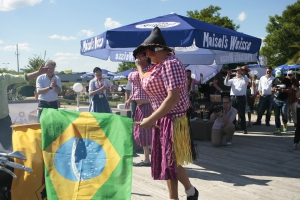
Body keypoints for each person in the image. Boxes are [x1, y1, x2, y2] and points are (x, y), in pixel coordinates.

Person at [134, 27, 198, 200]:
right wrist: (140, 68)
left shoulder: (171, 64)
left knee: (169, 162)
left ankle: (174, 198)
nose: (145, 55)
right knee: (169, 161)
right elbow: (145, 81)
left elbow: (173, 98)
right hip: (162, 119)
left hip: (173, 119)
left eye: (146, 52)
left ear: (153, 50)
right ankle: (191, 191)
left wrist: (150, 118)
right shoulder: (157, 67)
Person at [0, 64, 48, 150]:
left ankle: (11, 161)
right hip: (4, 119)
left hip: (3, 120)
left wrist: (39, 72)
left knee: (9, 148)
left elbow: (24, 77)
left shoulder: (4, 78)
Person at [125, 48, 153, 166]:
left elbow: (144, 80)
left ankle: (163, 157)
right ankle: (146, 159)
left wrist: (139, 67)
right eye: (136, 56)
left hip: (149, 105)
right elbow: (136, 89)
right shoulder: (135, 72)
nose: (138, 58)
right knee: (141, 134)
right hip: (139, 106)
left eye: (140, 56)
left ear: (146, 56)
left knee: (149, 133)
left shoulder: (150, 70)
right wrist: (130, 99)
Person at [224, 66, 249, 134]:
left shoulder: (244, 78)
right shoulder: (233, 79)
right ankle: (233, 127)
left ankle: (244, 128)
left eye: (239, 71)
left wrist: (242, 73)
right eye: (237, 71)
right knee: (233, 113)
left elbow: (247, 81)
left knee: (242, 113)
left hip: (241, 98)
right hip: (233, 98)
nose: (238, 72)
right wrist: (228, 75)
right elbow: (226, 83)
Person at [272, 70, 291, 134]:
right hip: (276, 99)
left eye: (279, 77)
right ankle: (278, 128)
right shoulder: (274, 80)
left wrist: (282, 90)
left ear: (283, 75)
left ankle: (285, 123)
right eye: (277, 77)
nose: (278, 78)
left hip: (285, 99)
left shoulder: (287, 81)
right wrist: (274, 89)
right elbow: (271, 89)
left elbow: (290, 90)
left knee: (284, 113)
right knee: (276, 115)